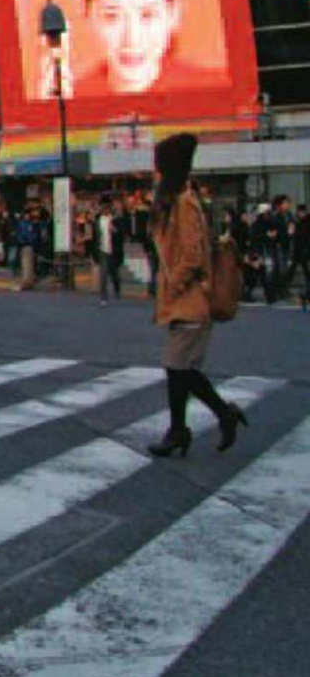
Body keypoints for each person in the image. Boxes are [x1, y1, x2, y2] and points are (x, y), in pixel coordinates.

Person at [146, 134, 247, 456]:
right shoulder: (173, 201)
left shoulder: (184, 202)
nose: (154, 172)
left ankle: (207, 419)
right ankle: (186, 428)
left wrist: (175, 283)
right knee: (179, 369)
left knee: (177, 367)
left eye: (158, 165)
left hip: (189, 299)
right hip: (182, 299)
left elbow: (192, 251)